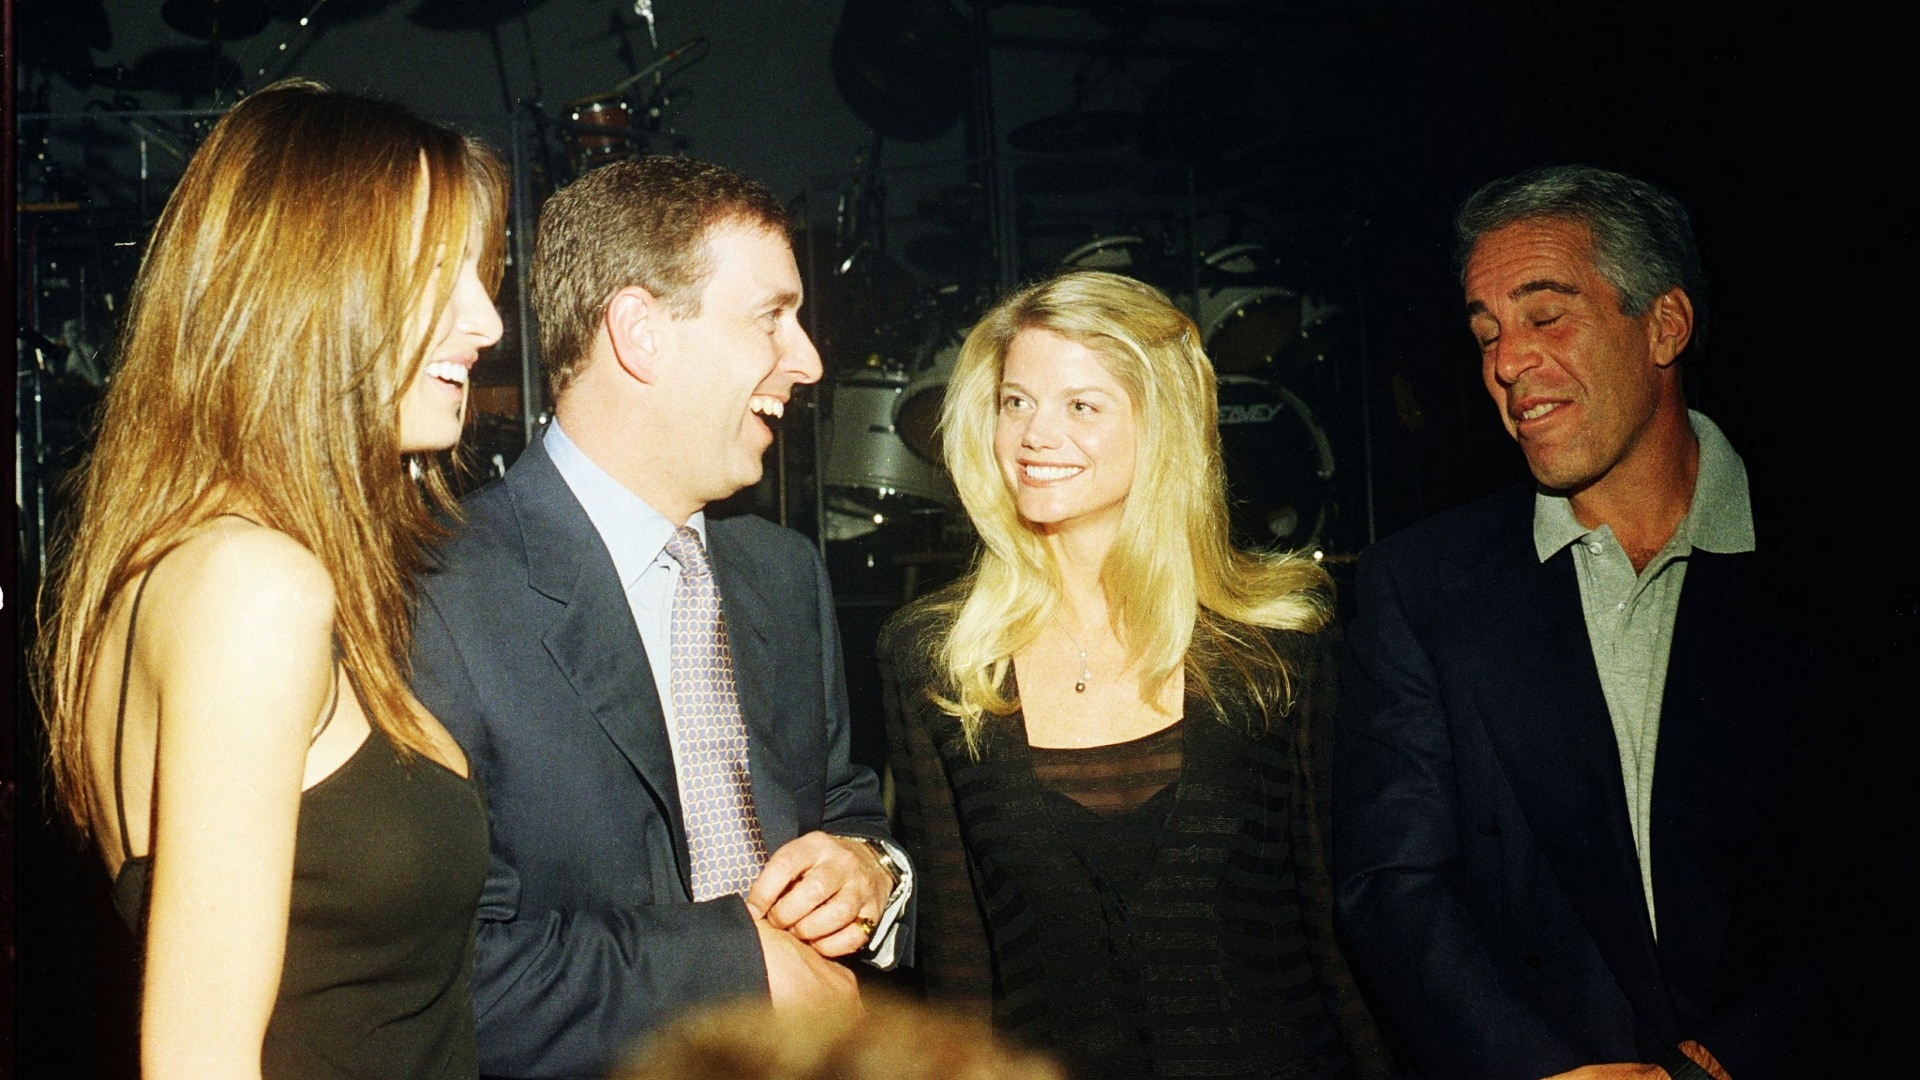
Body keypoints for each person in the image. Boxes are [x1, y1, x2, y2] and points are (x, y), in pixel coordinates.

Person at [1334, 165, 1856, 1079]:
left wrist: (1735, 1057)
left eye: (1546, 317)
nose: (1505, 362)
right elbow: (1394, 884)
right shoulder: (1420, 585)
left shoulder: (1847, 566)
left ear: (1665, 325)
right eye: (1487, 332)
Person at [35, 79, 505, 1078]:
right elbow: (200, 1060)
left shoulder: (191, 565)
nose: (487, 320)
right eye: (440, 271)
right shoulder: (252, 585)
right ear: (310, 282)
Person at [409, 156, 915, 1079]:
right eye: (772, 316)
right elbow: (437, 980)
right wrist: (738, 968)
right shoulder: (432, 592)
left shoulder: (784, 575)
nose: (807, 361)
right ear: (641, 332)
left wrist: (869, 875)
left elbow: (845, 805)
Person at [880, 269, 1391, 1079]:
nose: (1034, 437)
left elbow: (1344, 940)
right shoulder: (939, 660)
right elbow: (958, 968)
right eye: (1016, 402)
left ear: (1164, 428)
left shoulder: (1277, 646)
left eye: (1081, 405)